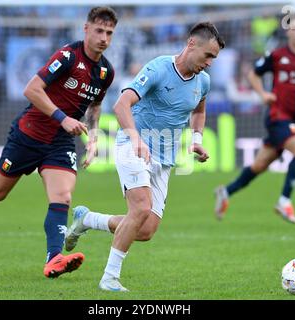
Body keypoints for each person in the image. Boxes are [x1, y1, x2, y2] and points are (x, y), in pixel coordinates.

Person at [0, 7, 118, 279]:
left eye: (109, 33)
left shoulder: (105, 71)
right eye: (99, 31)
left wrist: (93, 138)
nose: (104, 38)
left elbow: (96, 105)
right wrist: (62, 118)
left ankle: (54, 258)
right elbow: (31, 89)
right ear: (86, 29)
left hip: (59, 141)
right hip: (30, 133)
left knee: (63, 196)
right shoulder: (68, 56)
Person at [65, 22, 225, 291]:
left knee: (146, 229)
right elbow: (121, 104)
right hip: (133, 144)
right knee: (139, 209)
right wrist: (136, 138)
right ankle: (109, 278)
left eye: (214, 58)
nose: (209, 63)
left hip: (164, 157)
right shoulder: (159, 68)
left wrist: (196, 140)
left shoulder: (204, 81)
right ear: (191, 44)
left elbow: (198, 110)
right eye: (208, 55)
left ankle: (88, 220)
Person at [215, 12, 295, 224]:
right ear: (288, 32)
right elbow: (253, 74)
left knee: (260, 165)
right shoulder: (277, 55)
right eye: (293, 28)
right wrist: (263, 94)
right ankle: (284, 200)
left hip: (294, 120)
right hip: (277, 115)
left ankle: (226, 191)